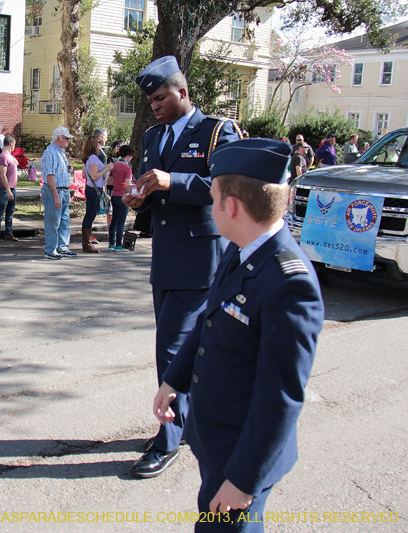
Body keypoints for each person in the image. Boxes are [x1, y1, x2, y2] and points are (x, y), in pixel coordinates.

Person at [152, 138, 324, 531]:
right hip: (216, 437)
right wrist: (173, 380)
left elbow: (280, 396)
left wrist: (245, 480)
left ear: (231, 207)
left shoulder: (289, 283)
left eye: (213, 200)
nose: (211, 208)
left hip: (242, 452)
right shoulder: (241, 248)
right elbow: (208, 320)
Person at [123, 56, 242, 479]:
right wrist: (139, 198)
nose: (155, 106)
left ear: (182, 92)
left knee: (171, 350)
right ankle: (189, 422)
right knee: (183, 349)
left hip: (201, 259)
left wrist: (173, 181)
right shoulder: (153, 137)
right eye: (151, 101)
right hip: (166, 258)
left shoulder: (216, 131)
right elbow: (149, 186)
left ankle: (168, 440)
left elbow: (228, 187)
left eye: (160, 98)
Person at [40, 126, 76, 260]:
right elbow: (50, 176)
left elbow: (57, 170)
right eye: (67, 138)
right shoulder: (51, 153)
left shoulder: (60, 152)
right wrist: (56, 196)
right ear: (59, 138)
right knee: (53, 222)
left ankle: (62, 247)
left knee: (64, 221)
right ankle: (50, 250)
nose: (68, 141)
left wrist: (69, 168)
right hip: (54, 191)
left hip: (64, 190)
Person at [81, 128, 113, 253]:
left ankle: (87, 242)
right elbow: (94, 176)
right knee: (90, 216)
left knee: (90, 215)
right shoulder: (94, 158)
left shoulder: (89, 158)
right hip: (93, 189)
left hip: (92, 188)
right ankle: (87, 243)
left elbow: (85, 175)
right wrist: (107, 169)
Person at [107, 145, 134, 251]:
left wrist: (117, 183)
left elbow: (109, 181)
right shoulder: (127, 168)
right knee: (121, 221)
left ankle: (111, 243)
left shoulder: (114, 166)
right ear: (128, 155)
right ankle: (119, 244)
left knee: (114, 219)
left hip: (114, 195)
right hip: (123, 195)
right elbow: (128, 185)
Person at [0, 134, 19, 242]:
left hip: (12, 187)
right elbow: (3, 175)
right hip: (3, 189)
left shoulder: (9, 156)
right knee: (1, 212)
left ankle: (9, 232)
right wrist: (8, 190)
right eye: (14, 145)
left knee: (10, 212)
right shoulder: (3, 156)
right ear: (11, 144)